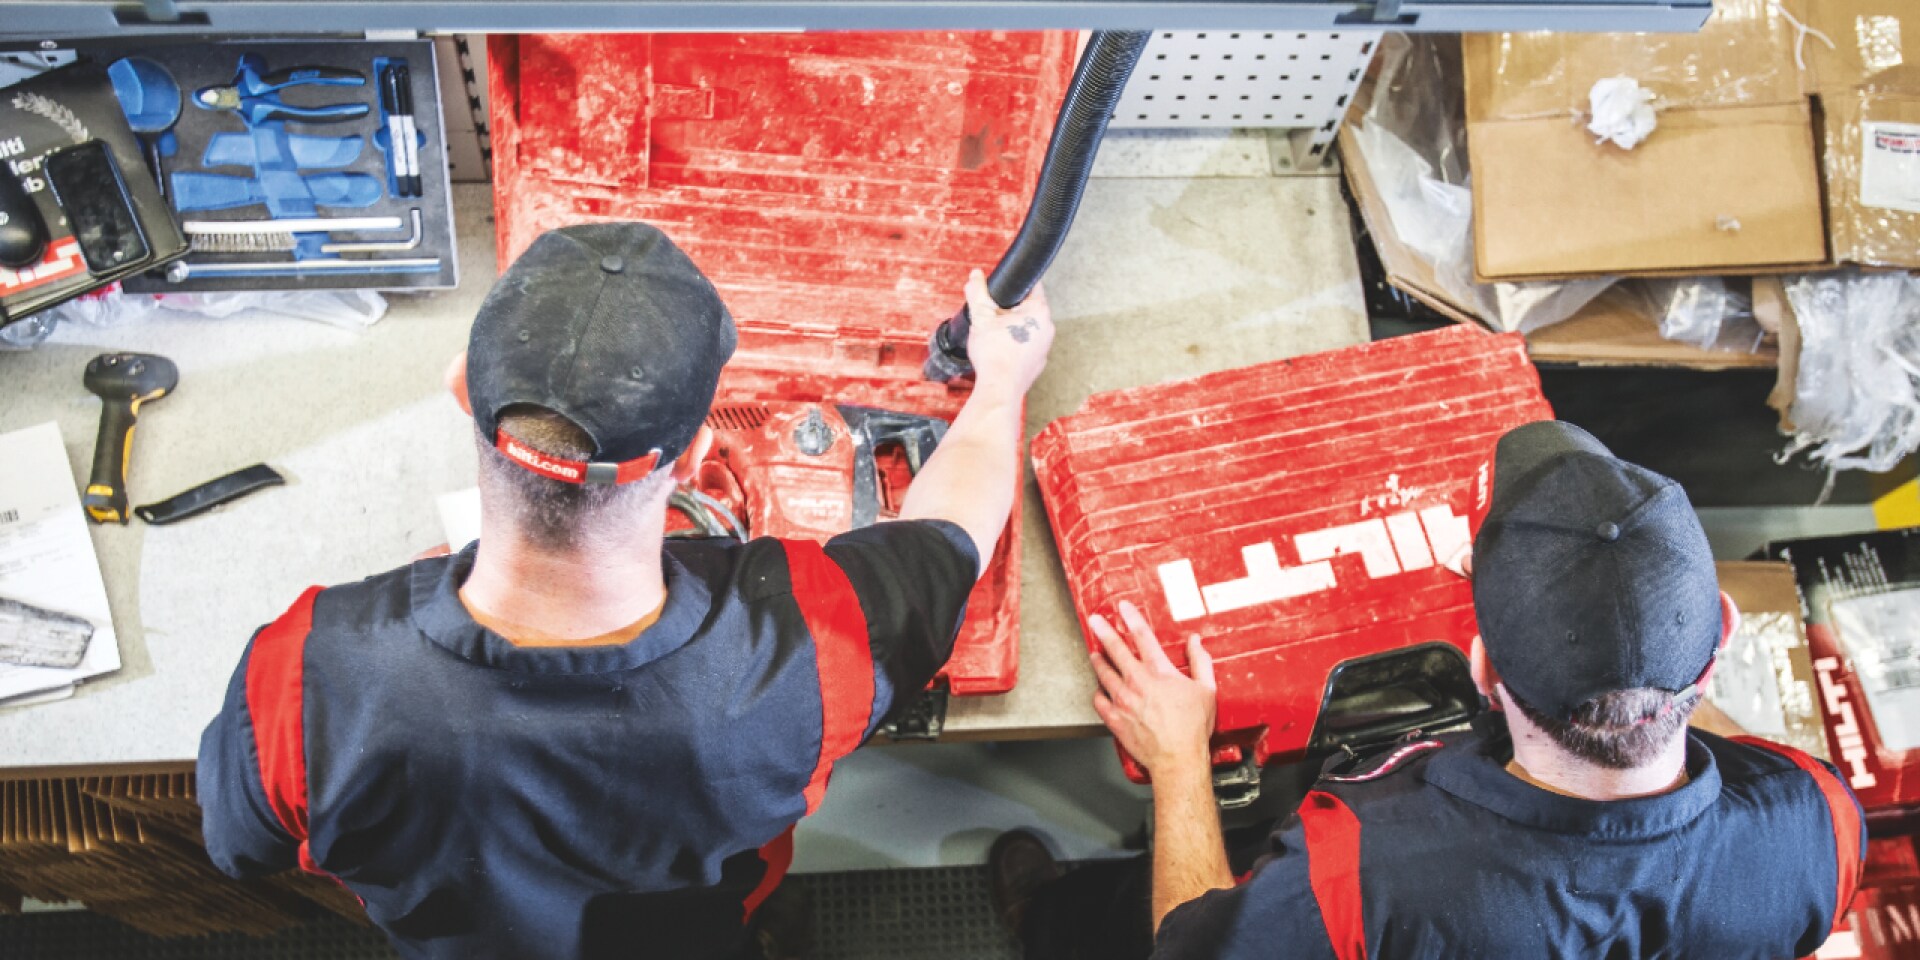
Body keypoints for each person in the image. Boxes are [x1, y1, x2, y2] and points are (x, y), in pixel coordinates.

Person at [197, 222, 1054, 960]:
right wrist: (1002, 384)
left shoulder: (301, 678)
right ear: (691, 459)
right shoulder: (813, 648)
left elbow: (239, 848)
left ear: (462, 390)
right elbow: (953, 537)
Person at [996, 420, 1865, 959]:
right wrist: (1620, 651)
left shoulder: (1357, 878)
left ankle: (1044, 920)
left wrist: (1179, 758)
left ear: (1481, 671)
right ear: (1720, 637)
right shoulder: (1822, 828)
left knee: (1110, 920)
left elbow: (1190, 946)